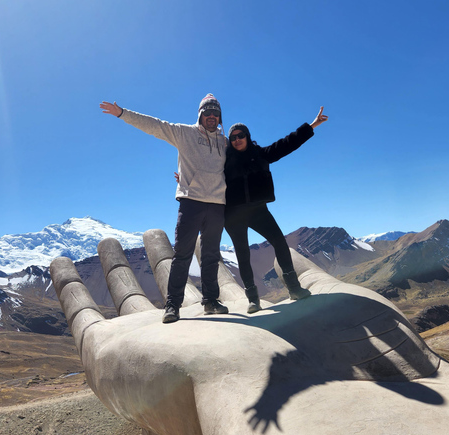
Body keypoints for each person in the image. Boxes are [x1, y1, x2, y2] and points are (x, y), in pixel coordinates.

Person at [99, 94, 230, 323]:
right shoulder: (184, 133)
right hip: (191, 202)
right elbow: (155, 126)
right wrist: (123, 114)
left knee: (210, 256)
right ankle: (172, 305)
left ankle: (210, 301)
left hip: (218, 205)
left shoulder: (225, 142)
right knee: (182, 255)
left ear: (220, 117)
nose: (211, 116)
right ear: (200, 114)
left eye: (215, 113)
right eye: (207, 112)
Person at [224, 107, 328, 313]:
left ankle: (294, 289)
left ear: (247, 136)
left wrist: (312, 125)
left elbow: (287, 144)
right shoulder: (224, 162)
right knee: (242, 255)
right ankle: (253, 300)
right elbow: (205, 173)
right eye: (233, 137)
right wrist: (186, 181)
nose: (237, 140)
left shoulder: (261, 155)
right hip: (233, 214)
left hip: (257, 211)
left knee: (280, 242)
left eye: (240, 135)